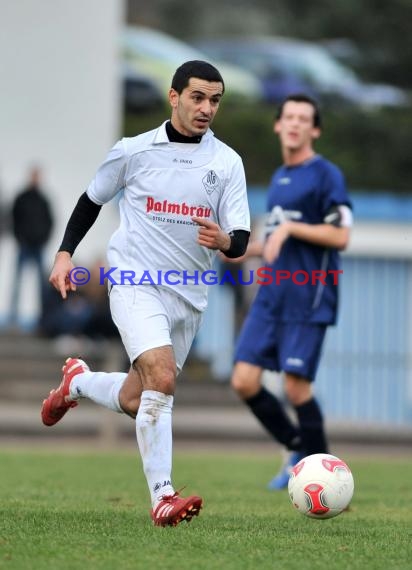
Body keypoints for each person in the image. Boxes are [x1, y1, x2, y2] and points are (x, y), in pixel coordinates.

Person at [40, 60, 250, 526]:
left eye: (215, 100)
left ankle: (77, 382)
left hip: (189, 297)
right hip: (134, 283)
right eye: (197, 97)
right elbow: (92, 199)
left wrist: (224, 242)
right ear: (173, 97)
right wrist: (64, 254)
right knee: (163, 379)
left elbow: (241, 238)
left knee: (140, 397)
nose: (206, 108)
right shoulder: (134, 151)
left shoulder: (226, 162)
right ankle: (163, 496)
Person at [225, 94, 352, 490]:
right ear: (278, 125)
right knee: (244, 380)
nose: (295, 124)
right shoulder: (280, 179)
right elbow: (273, 244)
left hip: (308, 298)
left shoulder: (325, 175)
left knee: (296, 388)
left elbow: (341, 234)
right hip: (271, 296)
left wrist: (291, 228)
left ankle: (329, 483)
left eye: (304, 119)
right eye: (289, 117)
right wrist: (232, 246)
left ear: (315, 130)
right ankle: (297, 445)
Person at [9, 166, 54, 327]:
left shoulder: (43, 200)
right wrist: (20, 238)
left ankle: (43, 317)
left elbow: (50, 222)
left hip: (38, 247)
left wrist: (43, 239)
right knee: (17, 283)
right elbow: (13, 219)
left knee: (42, 285)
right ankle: (13, 317)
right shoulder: (21, 198)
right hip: (24, 246)